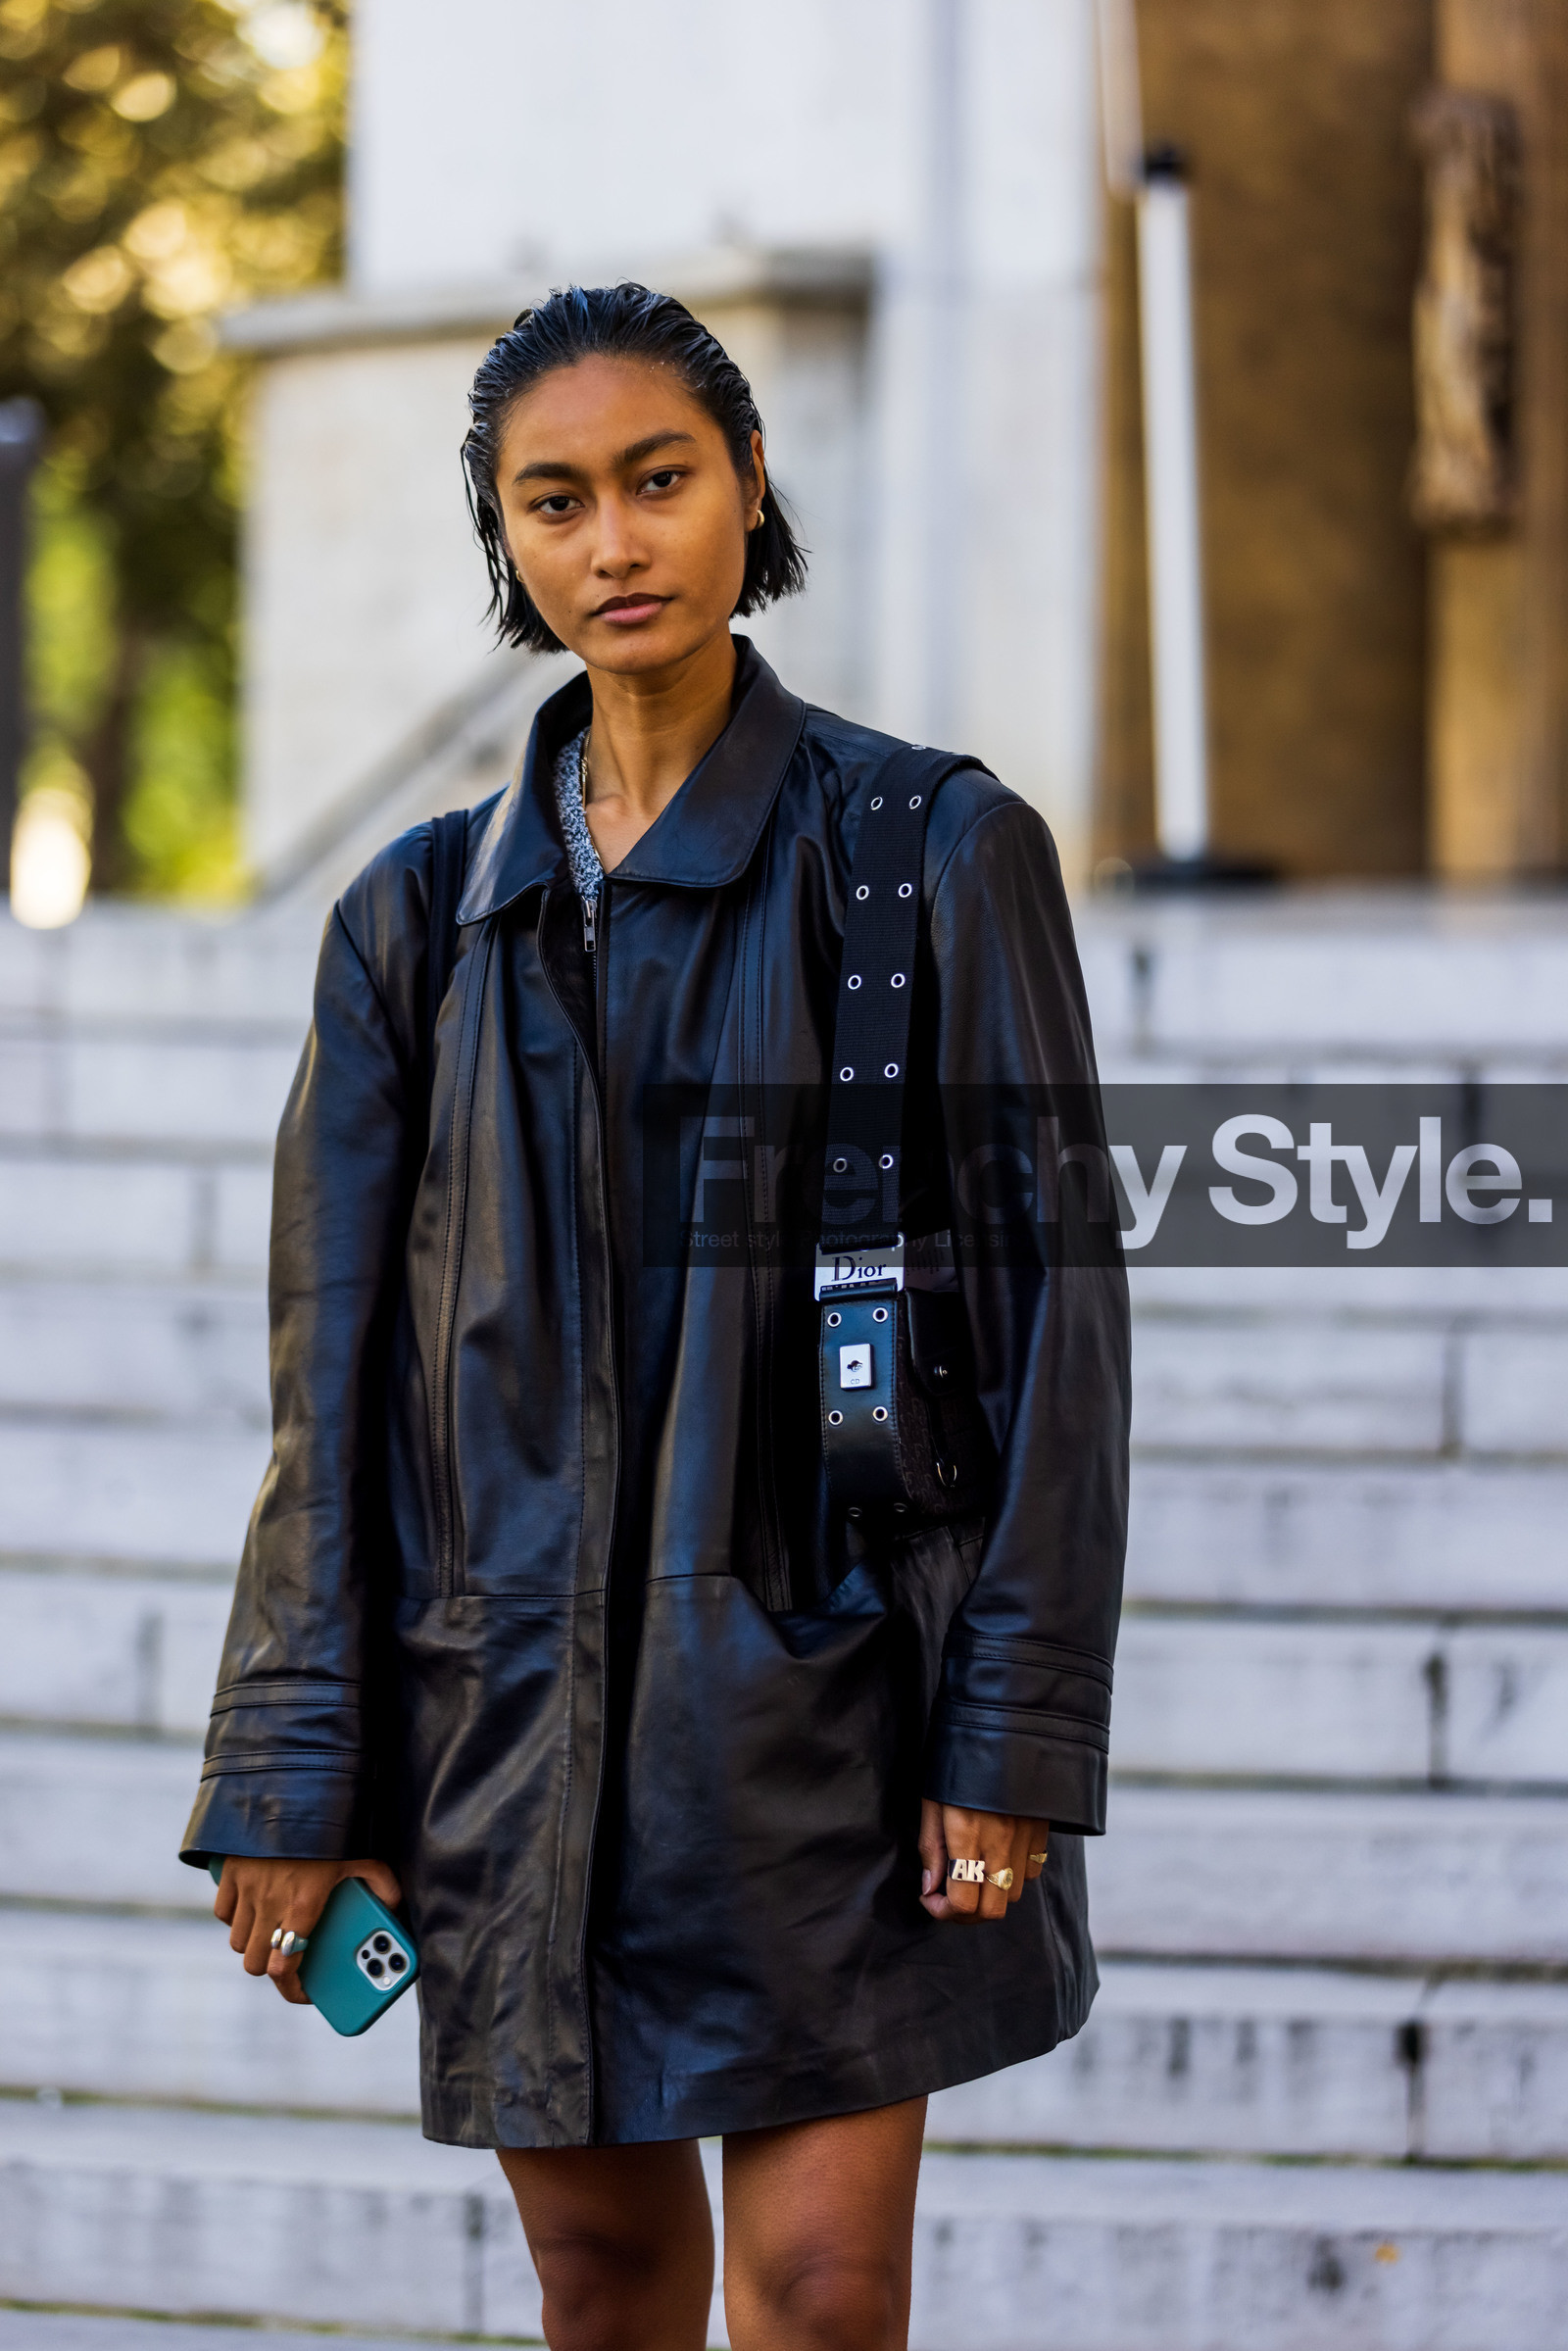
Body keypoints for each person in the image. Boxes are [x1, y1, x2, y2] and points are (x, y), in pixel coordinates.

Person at [182, 283, 1130, 2351]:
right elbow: (324, 1377)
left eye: (655, 481)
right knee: (599, 2288)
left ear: (745, 487)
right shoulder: (412, 923)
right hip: (507, 1731)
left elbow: (1062, 1329)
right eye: (552, 501)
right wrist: (288, 1770)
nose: (610, 543)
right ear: (504, 537)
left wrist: (1013, 1731)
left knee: (817, 2291)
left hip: (829, 1726)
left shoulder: (929, 855)